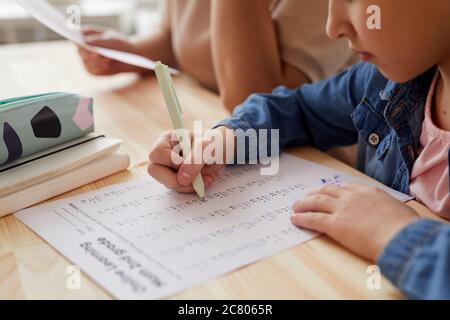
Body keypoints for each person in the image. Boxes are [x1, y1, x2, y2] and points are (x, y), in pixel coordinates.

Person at [147, 0, 450, 299]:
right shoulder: (384, 82)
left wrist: (393, 232)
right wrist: (226, 139)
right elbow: (299, 110)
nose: (333, 27)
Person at [77, 0, 356, 111]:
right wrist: (132, 53)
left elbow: (255, 101)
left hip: (305, 167)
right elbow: (174, 37)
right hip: (209, 125)